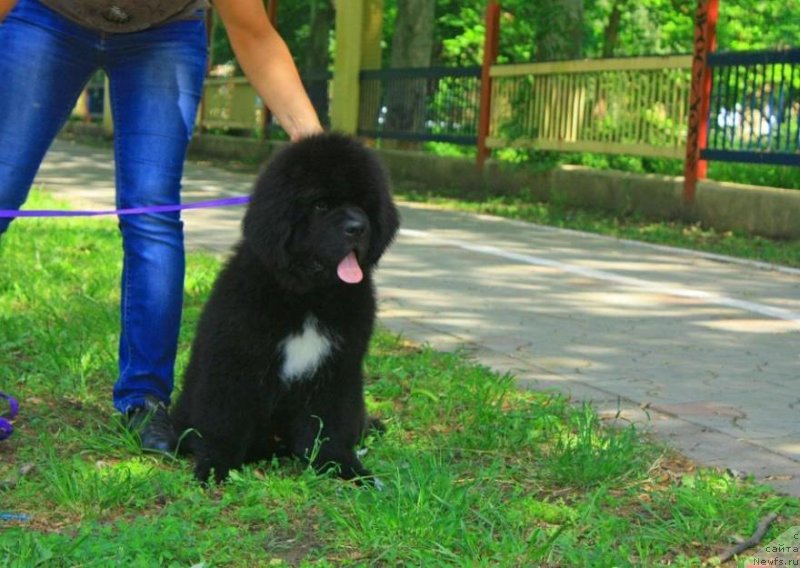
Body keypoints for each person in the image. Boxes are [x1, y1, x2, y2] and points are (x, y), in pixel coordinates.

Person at [0, 0, 323, 452]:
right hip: (49, 18)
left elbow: (254, 34)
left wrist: (312, 141)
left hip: (164, 33)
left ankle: (144, 398)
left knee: (151, 212)